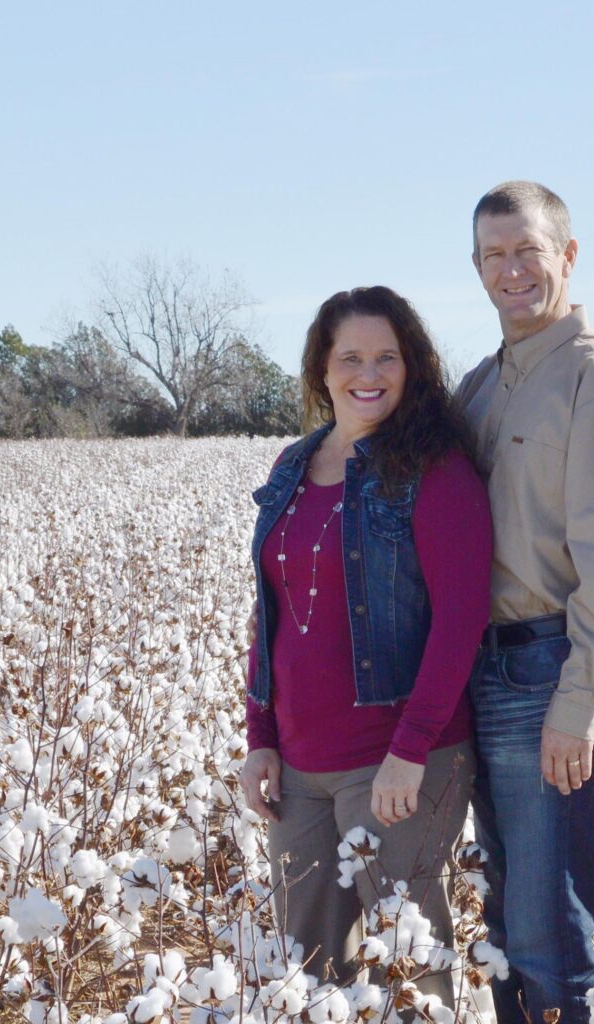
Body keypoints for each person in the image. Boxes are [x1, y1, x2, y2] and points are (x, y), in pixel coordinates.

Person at [239, 286, 492, 1001]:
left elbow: (460, 618)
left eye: (387, 356)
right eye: (350, 357)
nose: (368, 373)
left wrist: (410, 748)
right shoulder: (293, 463)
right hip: (298, 766)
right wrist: (260, 735)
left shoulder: (433, 468)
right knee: (307, 973)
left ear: (411, 367)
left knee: (408, 969)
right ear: (322, 368)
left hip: (395, 763)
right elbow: (271, 611)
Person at [455, 182, 594, 1024]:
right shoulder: (481, 383)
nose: (512, 271)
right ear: (476, 268)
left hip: (553, 674)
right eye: (493, 256)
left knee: (548, 935)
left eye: (527, 251)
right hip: (487, 671)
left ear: (567, 257)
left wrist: (577, 706)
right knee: (506, 928)